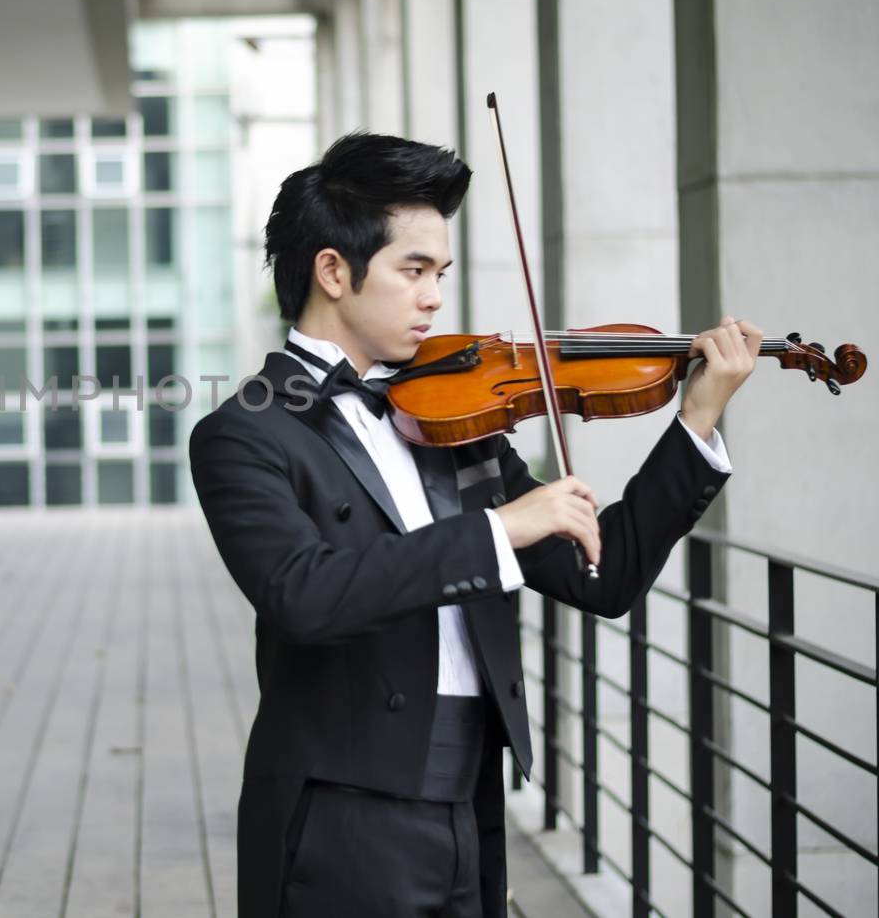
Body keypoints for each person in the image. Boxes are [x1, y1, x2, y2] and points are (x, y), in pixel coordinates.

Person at [187, 133, 760, 918]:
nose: (433, 298)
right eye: (412, 271)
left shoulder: (453, 419)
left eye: (441, 275)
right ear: (332, 271)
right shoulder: (246, 432)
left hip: (471, 799)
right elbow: (303, 595)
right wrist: (499, 533)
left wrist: (696, 419)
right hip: (341, 816)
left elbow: (607, 575)